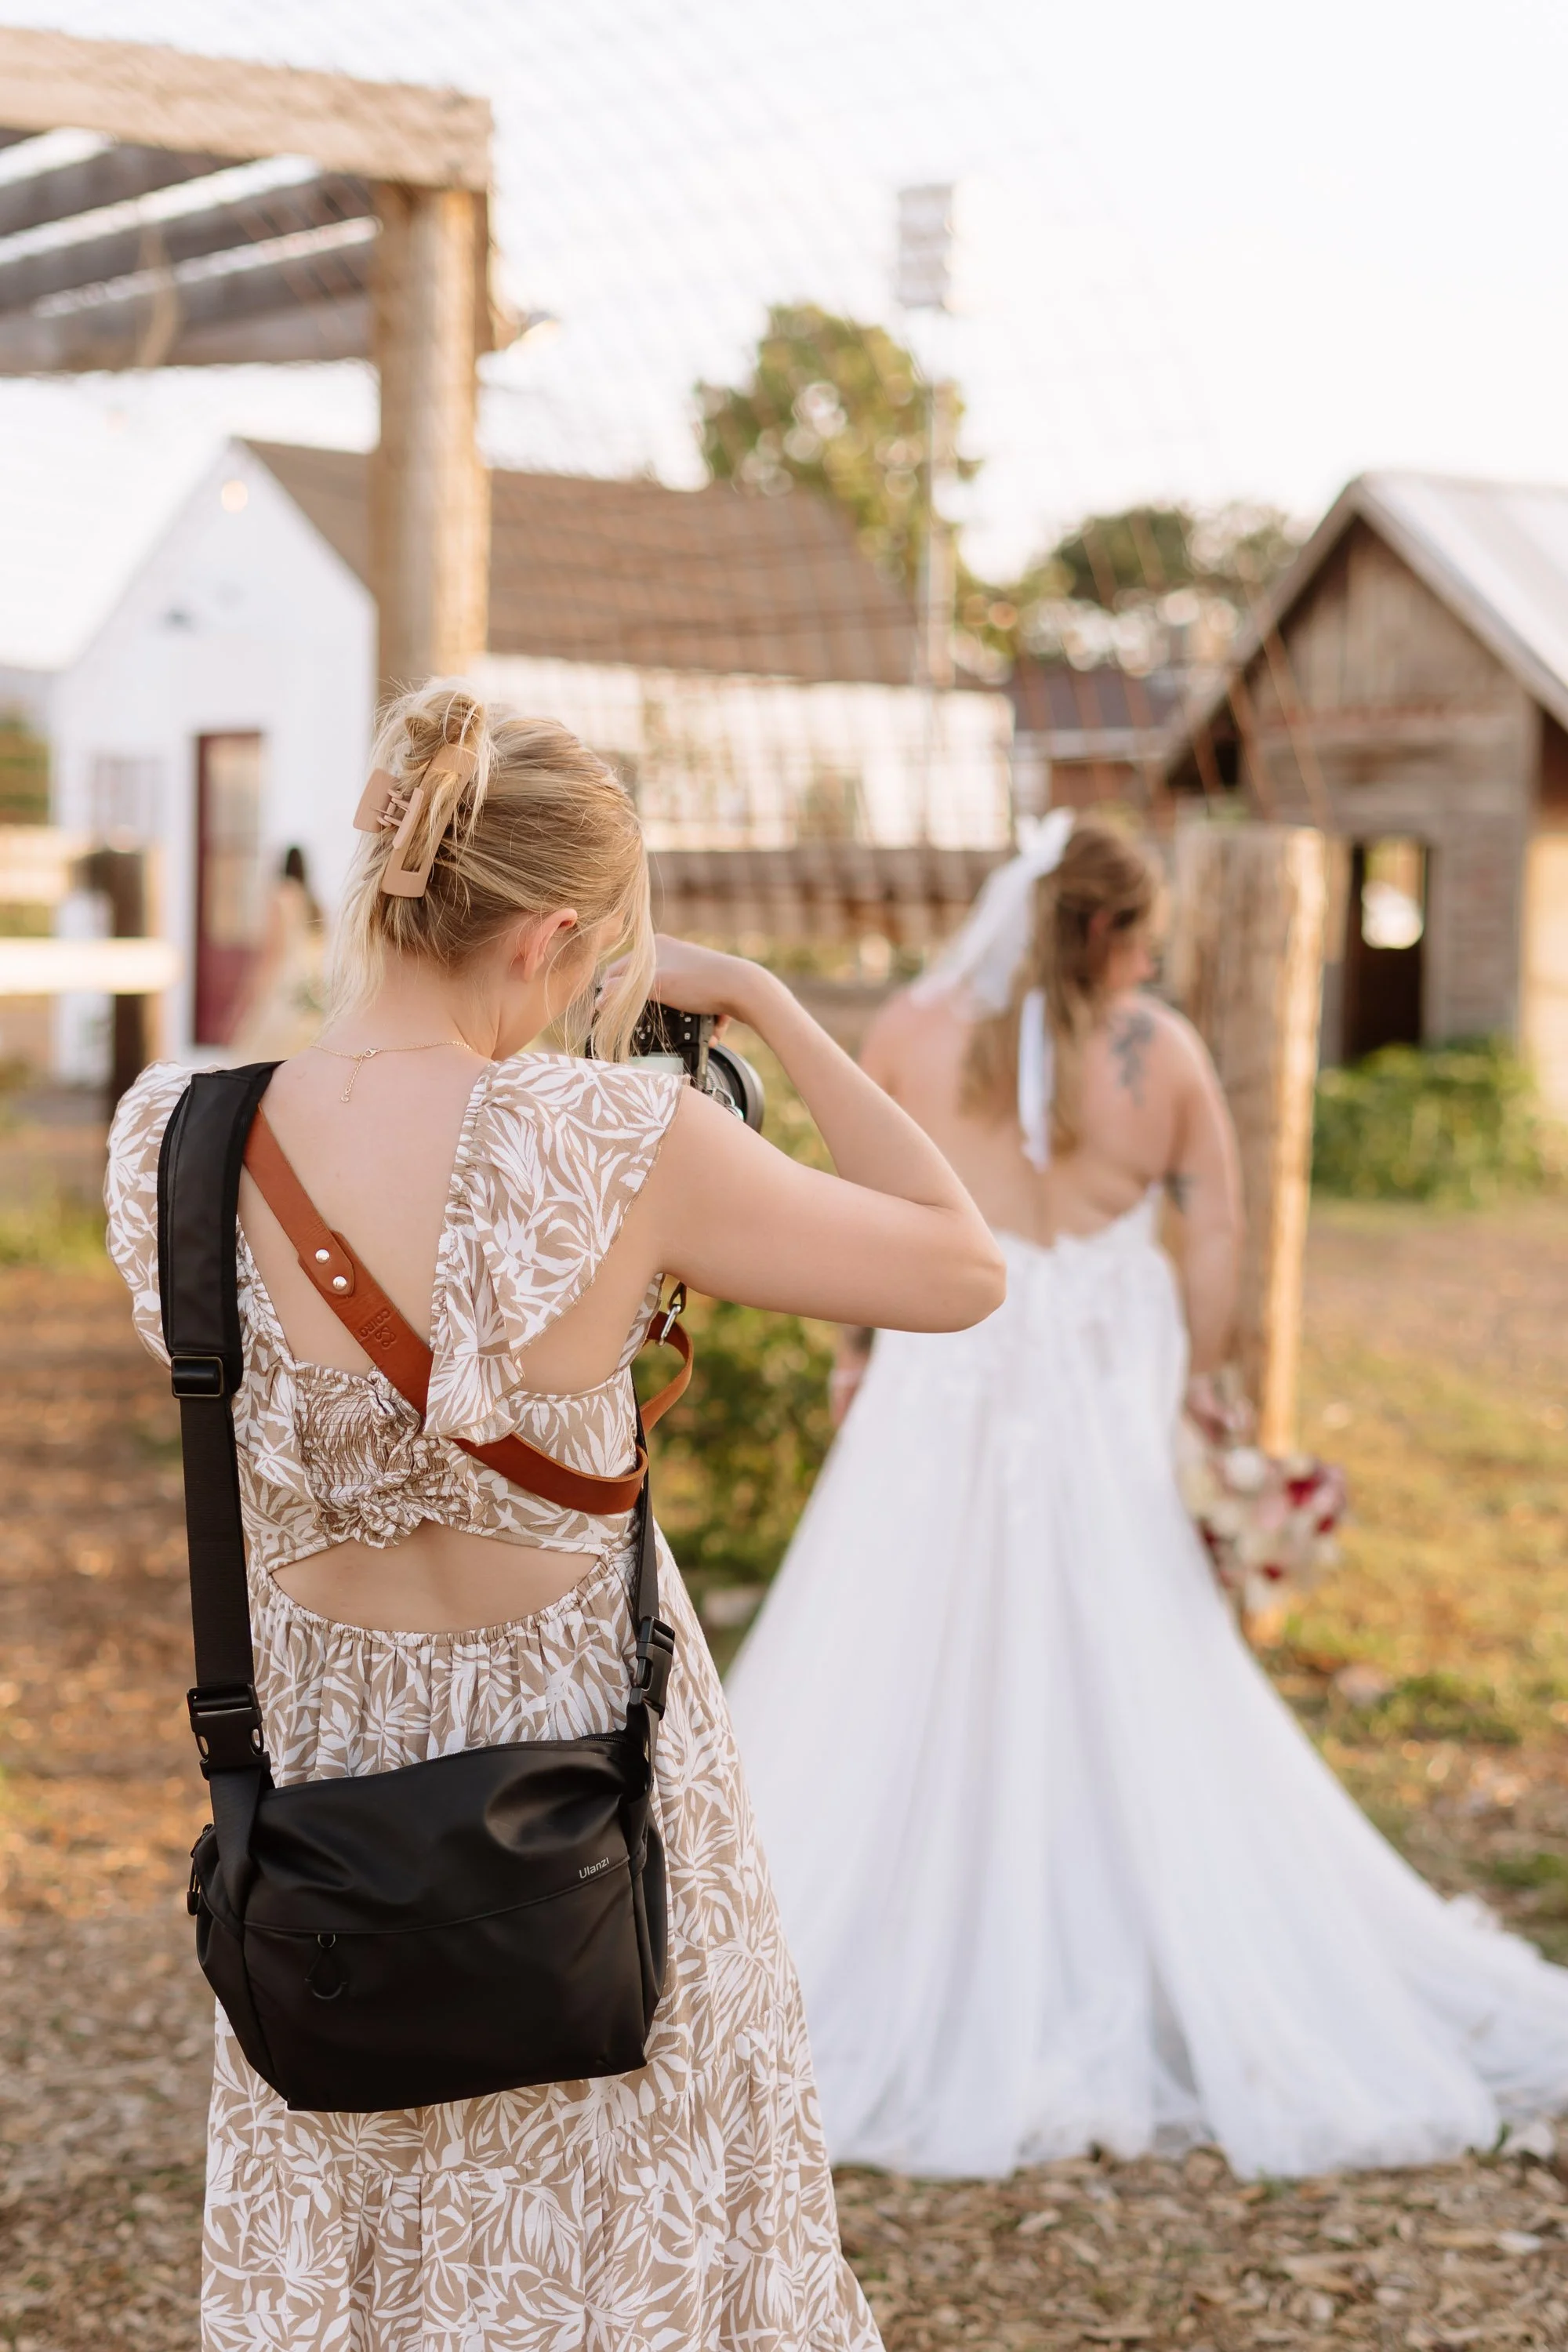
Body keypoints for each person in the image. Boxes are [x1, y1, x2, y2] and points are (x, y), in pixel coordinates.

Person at [104, 682, 1004, 2350]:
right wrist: (764, 1006)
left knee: (373, 2247)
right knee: (632, 2253)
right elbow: (959, 1265)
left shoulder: (171, 1139)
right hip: (596, 1807)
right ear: (561, 935)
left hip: (320, 1813)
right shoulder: (614, 1136)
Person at [725, 809, 1568, 2185]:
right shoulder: (1162, 1056)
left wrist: (853, 1351)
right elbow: (1218, 1226)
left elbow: (862, 1205)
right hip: (1103, 1390)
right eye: (1150, 939)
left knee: (897, 1647)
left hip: (944, 1379)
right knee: (1129, 1644)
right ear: (1115, 935)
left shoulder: (915, 1036)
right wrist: (1200, 1384)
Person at [228, 844, 326, 1061]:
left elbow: (272, 950)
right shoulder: (314, 901)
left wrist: (250, 991)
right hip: (310, 979)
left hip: (284, 978)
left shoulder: (281, 896)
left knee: (265, 1044)